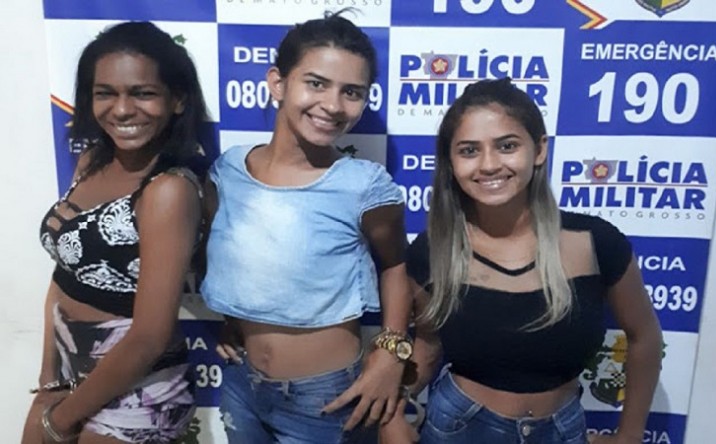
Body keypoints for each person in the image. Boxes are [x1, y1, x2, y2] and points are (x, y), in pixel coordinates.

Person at [381, 78, 663, 444]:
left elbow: (645, 336)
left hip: (562, 431)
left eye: (507, 146)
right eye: (469, 150)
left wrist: (630, 434)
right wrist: (392, 411)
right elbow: (429, 344)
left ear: (540, 149)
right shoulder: (434, 250)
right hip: (459, 428)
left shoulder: (597, 242)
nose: (489, 164)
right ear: (450, 162)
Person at [201, 9, 413, 444]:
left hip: (326, 397)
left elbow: (395, 267)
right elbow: (240, 260)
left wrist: (392, 352)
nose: (333, 105)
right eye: (316, 83)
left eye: (351, 92)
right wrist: (236, 318)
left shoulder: (364, 185)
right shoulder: (228, 171)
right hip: (241, 383)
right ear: (278, 83)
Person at [22, 21, 209, 443]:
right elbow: (63, 276)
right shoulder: (92, 160)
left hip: (140, 393)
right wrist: (50, 380)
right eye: (105, 93)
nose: (122, 110)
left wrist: (61, 420)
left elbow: (149, 337)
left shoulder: (168, 190)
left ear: (178, 99)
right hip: (70, 378)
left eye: (142, 93)